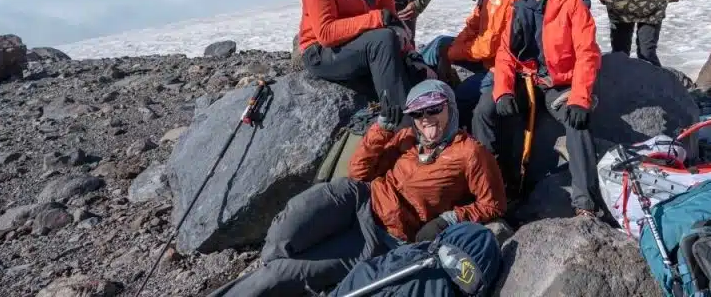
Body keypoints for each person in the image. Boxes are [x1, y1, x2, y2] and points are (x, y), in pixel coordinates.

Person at [208, 79, 508, 297]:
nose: (426, 119)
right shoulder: (407, 137)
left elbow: (493, 204)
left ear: (449, 108)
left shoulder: (470, 152)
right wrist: (381, 130)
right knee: (286, 230)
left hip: (381, 237)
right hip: (358, 200)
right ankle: (282, 260)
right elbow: (358, 171)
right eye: (418, 113)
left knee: (279, 275)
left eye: (434, 109)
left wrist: (448, 219)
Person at [472, 0, 602, 218]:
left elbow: (587, 52)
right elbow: (506, 54)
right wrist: (504, 91)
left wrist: (580, 97)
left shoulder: (571, 3)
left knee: (577, 123)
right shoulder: (519, 6)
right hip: (526, 81)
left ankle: (584, 201)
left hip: (558, 85)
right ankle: (494, 192)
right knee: (484, 111)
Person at [418, 0, 528, 128]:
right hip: (490, 58)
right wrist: (451, 48)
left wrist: (452, 53)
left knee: (455, 100)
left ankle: (450, 132)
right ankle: (417, 93)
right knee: (437, 45)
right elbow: (474, 25)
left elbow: (490, 45)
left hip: (506, 66)